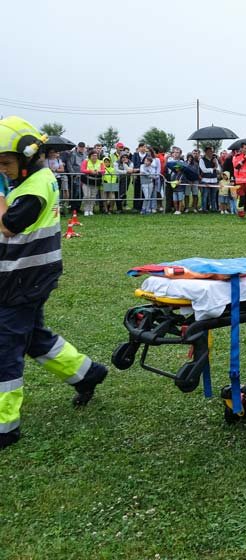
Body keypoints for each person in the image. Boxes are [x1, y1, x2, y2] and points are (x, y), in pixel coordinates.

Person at [0, 116, 108, 450]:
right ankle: (87, 373)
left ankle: (6, 425)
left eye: (5, 163)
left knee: (6, 348)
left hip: (23, 278)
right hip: (29, 275)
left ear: (28, 156)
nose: (2, 169)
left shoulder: (33, 188)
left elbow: (8, 226)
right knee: (33, 338)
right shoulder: (37, 177)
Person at [80, 150, 103, 216]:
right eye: (93, 155)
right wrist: (90, 171)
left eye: (96, 155)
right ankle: (86, 210)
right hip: (86, 181)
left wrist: (98, 171)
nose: (94, 157)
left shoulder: (100, 162)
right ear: (90, 156)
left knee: (93, 196)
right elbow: (82, 170)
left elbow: (103, 170)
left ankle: (90, 210)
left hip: (95, 181)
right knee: (87, 196)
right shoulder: (86, 161)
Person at [199, 146, 220, 213]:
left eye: (211, 151)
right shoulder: (202, 160)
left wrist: (215, 163)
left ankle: (214, 208)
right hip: (205, 180)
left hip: (214, 180)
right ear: (206, 152)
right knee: (205, 195)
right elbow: (203, 170)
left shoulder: (215, 159)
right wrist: (213, 169)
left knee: (213, 196)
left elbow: (218, 169)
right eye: (209, 151)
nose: (210, 153)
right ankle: (204, 209)